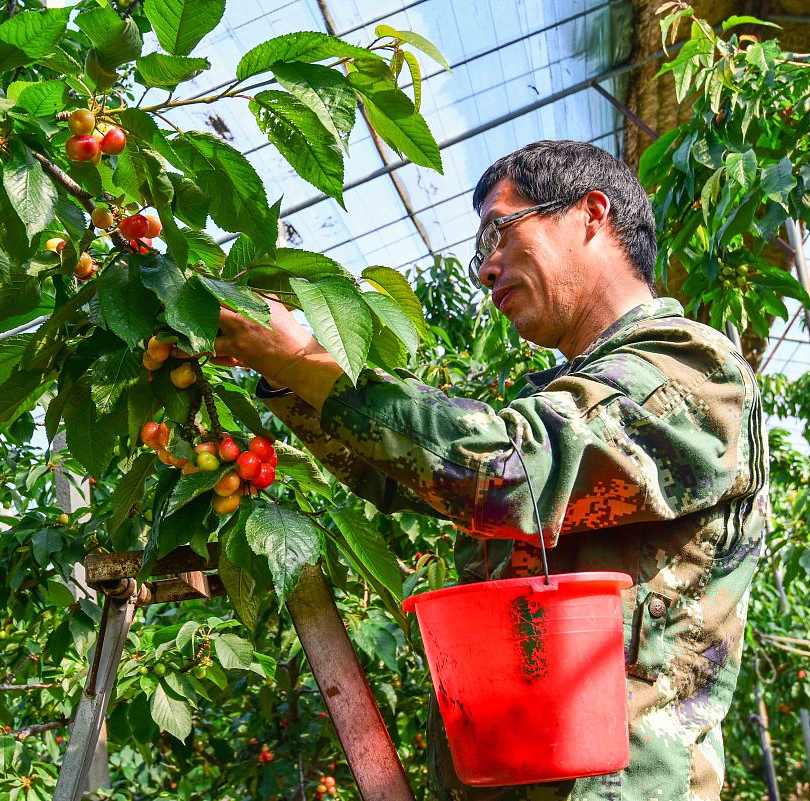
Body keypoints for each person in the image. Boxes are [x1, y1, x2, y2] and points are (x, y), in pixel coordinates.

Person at [213, 140, 769, 801]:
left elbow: (509, 474)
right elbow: (414, 475)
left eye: (499, 232)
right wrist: (287, 380)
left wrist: (305, 361)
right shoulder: (573, 393)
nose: (485, 269)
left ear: (592, 213)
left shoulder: (692, 376)